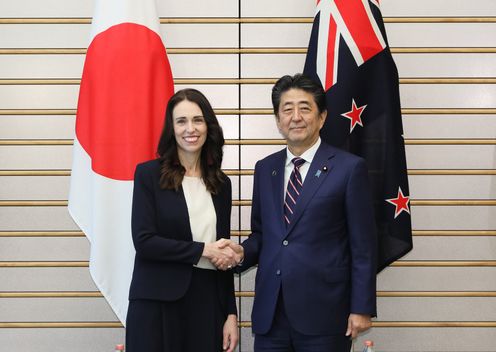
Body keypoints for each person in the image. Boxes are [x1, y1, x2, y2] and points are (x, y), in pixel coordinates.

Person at [224, 74, 377, 351]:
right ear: (278, 119)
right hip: (272, 314)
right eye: (287, 109)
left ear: (322, 117)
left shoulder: (349, 168)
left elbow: (363, 245)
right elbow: (263, 234)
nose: (296, 116)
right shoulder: (265, 168)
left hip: (326, 315)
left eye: (305, 108)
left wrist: (361, 307)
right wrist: (242, 252)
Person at [126, 88, 239, 352]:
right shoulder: (148, 175)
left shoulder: (221, 184)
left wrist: (231, 314)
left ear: (208, 126)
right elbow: (144, 241)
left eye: (198, 120)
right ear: (172, 128)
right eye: (182, 121)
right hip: (157, 302)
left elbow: (222, 253)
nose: (191, 128)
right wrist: (203, 250)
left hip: (207, 303)